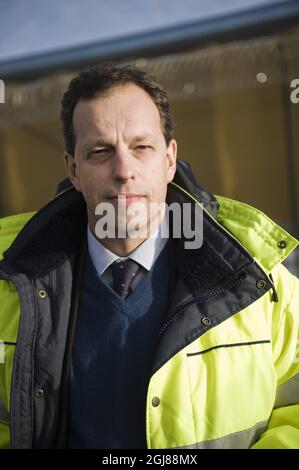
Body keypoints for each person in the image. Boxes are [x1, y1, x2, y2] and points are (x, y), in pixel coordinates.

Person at [0, 63, 298, 450]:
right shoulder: (9, 287)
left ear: (169, 160)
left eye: (141, 147)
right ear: (73, 169)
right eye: (100, 152)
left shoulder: (259, 277)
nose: (124, 171)